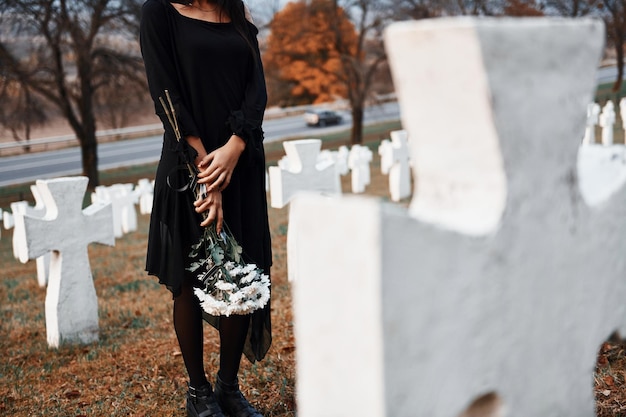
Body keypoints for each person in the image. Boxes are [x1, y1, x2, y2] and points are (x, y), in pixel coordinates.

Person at [139, 0, 272, 416]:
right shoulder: (159, 12)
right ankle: (198, 393)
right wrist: (205, 172)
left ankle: (228, 388)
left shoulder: (236, 11)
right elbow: (165, 94)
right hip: (186, 160)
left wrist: (235, 146)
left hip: (241, 160)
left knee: (242, 272)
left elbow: (257, 89)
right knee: (193, 276)